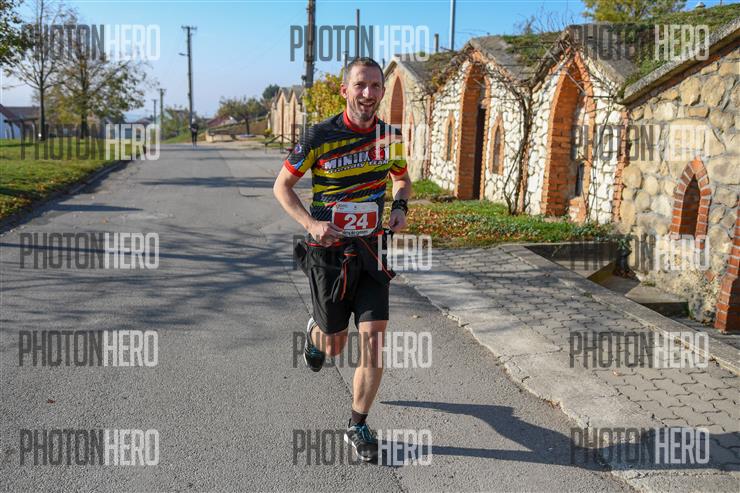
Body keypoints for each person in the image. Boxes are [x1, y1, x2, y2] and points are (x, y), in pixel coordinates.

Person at [273, 57, 411, 463]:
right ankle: (316, 331)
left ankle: (357, 423)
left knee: (374, 340)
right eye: (360, 85)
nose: (368, 93)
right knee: (334, 344)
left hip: (370, 250)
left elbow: (402, 179)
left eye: (376, 85)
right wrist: (311, 225)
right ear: (345, 90)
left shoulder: (389, 137)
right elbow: (282, 187)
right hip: (329, 253)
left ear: (382, 91)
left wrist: (400, 207)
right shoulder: (318, 136)